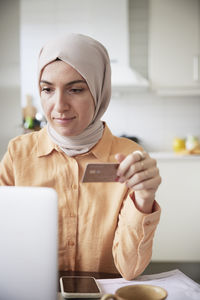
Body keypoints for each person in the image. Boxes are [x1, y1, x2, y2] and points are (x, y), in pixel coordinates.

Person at [0, 33, 161, 280]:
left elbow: (129, 270)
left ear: (99, 90)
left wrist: (145, 197)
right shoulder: (18, 153)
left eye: (75, 89)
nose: (59, 105)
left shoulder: (130, 158)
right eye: (47, 89)